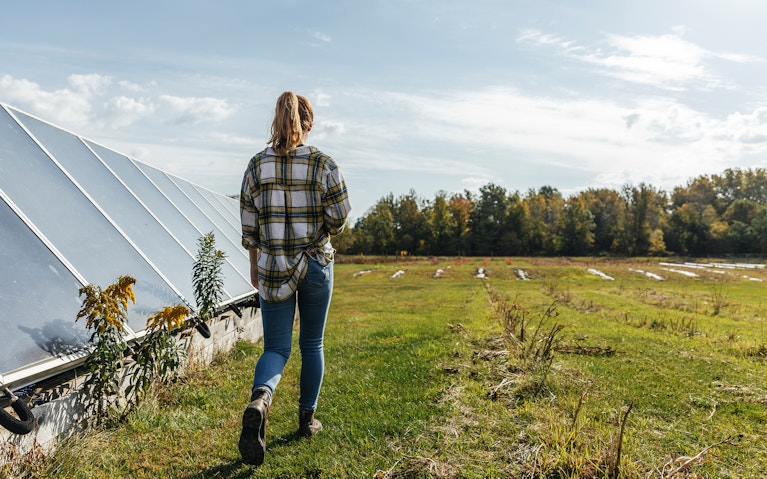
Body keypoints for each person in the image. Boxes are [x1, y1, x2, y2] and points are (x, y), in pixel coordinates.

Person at [238, 91, 351, 466]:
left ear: (275, 119)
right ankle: (307, 420)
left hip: (273, 265)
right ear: (309, 122)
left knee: (276, 348)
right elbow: (339, 216)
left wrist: (255, 265)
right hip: (316, 263)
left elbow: (249, 227)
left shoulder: (256, 166)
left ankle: (260, 400)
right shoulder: (324, 164)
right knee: (312, 343)